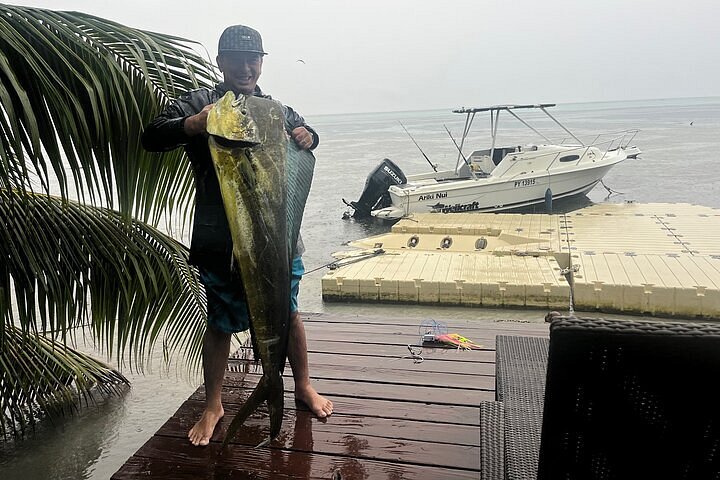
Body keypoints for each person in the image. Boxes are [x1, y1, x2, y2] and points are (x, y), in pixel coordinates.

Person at [142, 24, 333, 447]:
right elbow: (152, 136)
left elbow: (308, 137)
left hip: (279, 238)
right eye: (236, 58)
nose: (246, 67)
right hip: (222, 241)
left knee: (290, 311)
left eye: (254, 59)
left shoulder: (276, 109)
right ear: (220, 61)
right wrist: (193, 124)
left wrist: (309, 135)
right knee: (221, 322)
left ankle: (302, 384)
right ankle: (214, 404)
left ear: (262, 63)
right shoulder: (200, 102)